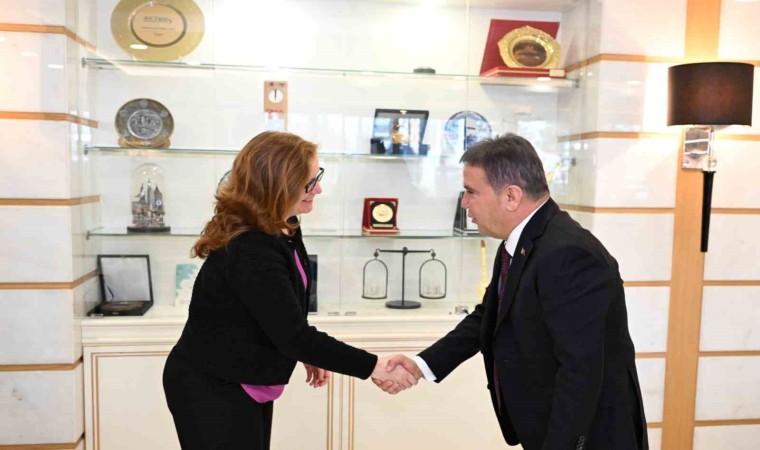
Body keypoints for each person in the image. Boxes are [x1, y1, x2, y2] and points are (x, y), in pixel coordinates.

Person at [380, 133, 648, 450]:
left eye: (471, 192)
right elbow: (489, 316)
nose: (464, 203)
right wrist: (422, 365)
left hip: (589, 438)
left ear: (511, 196)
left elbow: (581, 370)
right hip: (547, 426)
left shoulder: (570, 253)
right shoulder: (521, 239)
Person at [163, 131, 415, 450]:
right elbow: (293, 334)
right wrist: (375, 366)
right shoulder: (251, 247)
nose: (318, 189)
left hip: (243, 376)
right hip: (212, 385)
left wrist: (304, 351)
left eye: (317, 178)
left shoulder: (285, 224)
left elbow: (281, 311)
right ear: (278, 184)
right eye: (310, 182)